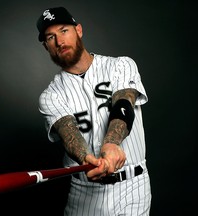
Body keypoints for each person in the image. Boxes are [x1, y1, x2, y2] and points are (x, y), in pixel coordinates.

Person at [36, 6, 152, 216]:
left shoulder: (120, 65)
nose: (60, 41)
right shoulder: (51, 95)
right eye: (51, 37)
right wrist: (85, 158)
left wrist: (111, 143)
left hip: (133, 187)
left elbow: (123, 104)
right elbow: (68, 132)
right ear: (46, 46)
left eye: (64, 31)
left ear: (78, 30)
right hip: (85, 192)